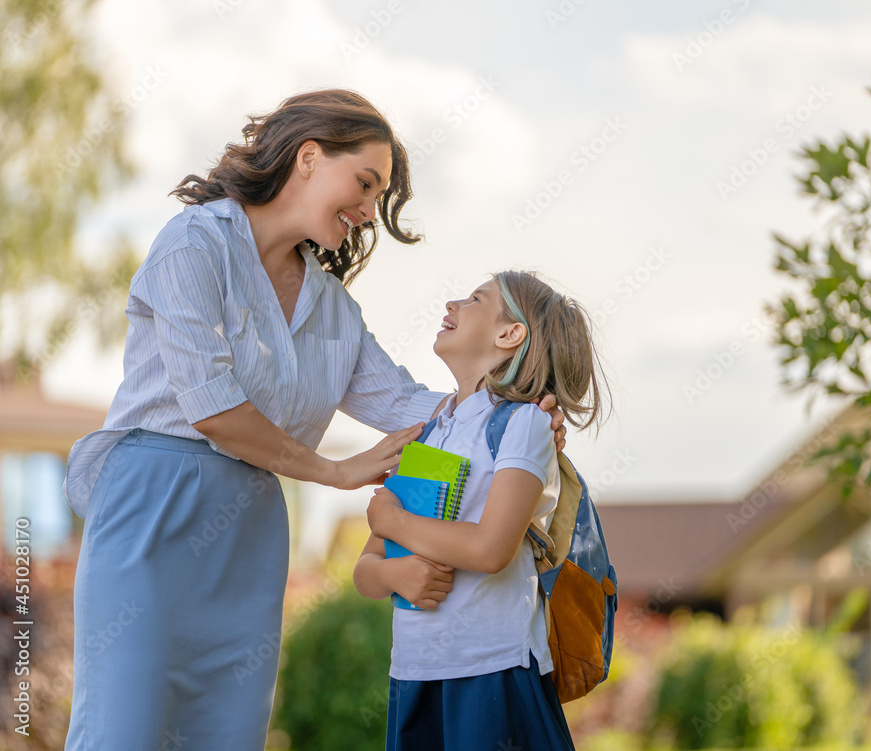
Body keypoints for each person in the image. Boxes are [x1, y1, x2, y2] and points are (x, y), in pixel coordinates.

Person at [62, 89, 566, 751]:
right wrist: (334, 470)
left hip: (251, 530)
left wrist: (513, 412)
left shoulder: (333, 310)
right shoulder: (197, 242)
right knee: (121, 731)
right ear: (307, 157)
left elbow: (416, 409)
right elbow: (211, 407)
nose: (367, 212)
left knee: (224, 735)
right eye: (364, 183)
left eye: (377, 197)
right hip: (155, 505)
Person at [358, 270, 609, 751]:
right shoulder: (432, 431)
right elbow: (367, 569)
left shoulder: (524, 424)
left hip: (492, 673)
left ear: (509, 334)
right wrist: (397, 576)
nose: (452, 303)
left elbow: (492, 550)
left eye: (474, 299)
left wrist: (391, 520)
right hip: (413, 675)